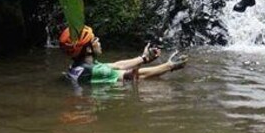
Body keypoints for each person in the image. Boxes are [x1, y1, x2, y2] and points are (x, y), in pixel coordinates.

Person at [58, 26, 187, 87]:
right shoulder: (96, 71)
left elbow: (117, 65)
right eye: (95, 39)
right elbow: (136, 76)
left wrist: (144, 58)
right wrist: (170, 66)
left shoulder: (78, 66)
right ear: (87, 48)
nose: (98, 41)